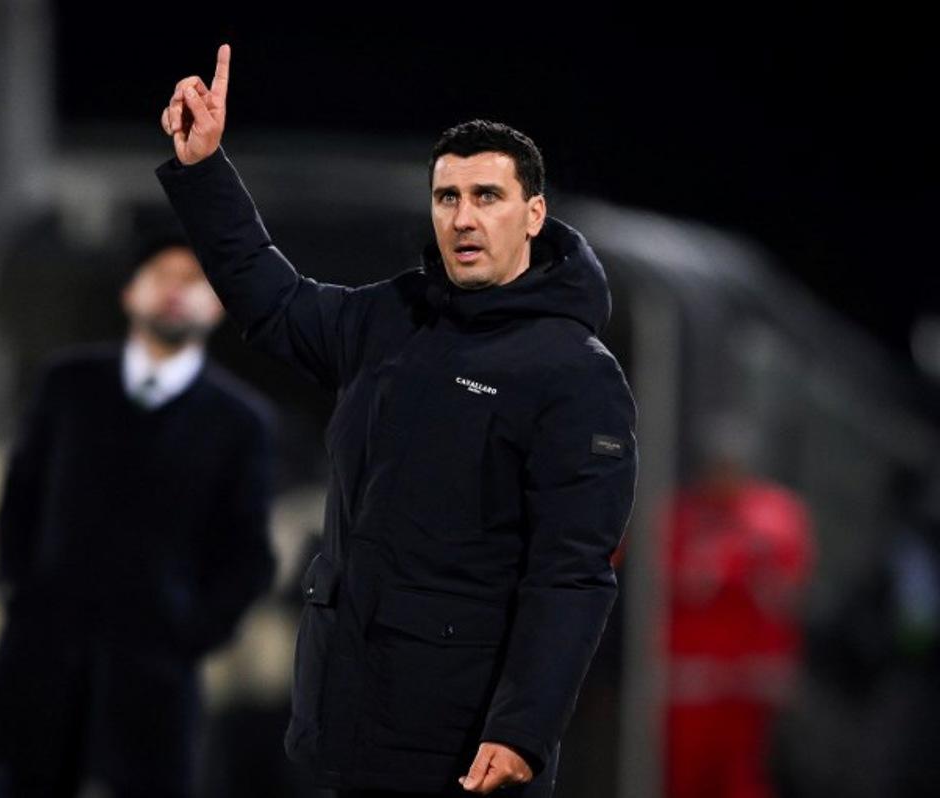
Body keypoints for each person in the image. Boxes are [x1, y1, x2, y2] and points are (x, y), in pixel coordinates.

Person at [155, 44, 638, 798]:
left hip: (466, 752)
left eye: (487, 196)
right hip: (350, 732)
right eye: (447, 197)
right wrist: (203, 170)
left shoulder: (577, 375)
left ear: (534, 214)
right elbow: (274, 301)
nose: (464, 217)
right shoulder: (389, 318)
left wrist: (522, 731)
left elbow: (571, 575)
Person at [0, 236, 278, 798]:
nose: (176, 291)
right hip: (46, 658)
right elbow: (21, 499)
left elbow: (247, 551)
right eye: (162, 274)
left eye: (194, 280)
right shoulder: (68, 384)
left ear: (218, 306)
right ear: (130, 294)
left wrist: (190, 632)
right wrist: (27, 593)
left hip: (154, 675)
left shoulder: (240, 423)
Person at [660, 413, 815, 798]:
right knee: (683, 780)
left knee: (748, 780)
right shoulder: (680, 516)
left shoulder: (777, 513)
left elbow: (786, 589)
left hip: (752, 684)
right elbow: (680, 585)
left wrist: (740, 564)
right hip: (692, 686)